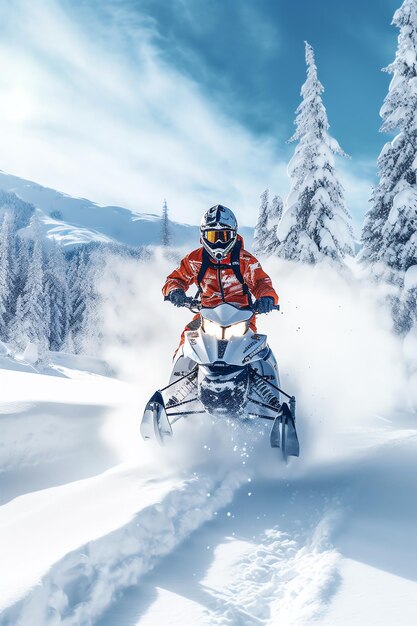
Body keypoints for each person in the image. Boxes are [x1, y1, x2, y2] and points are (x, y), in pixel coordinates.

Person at [162, 204, 279, 353]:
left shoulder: (245, 260)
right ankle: (181, 375)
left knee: (257, 351)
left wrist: (266, 298)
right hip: (207, 315)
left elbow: (261, 282)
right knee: (187, 342)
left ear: (233, 235)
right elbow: (175, 278)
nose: (218, 243)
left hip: (242, 316)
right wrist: (175, 291)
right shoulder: (195, 260)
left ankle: (266, 376)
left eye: (223, 236)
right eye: (212, 236)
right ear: (203, 236)